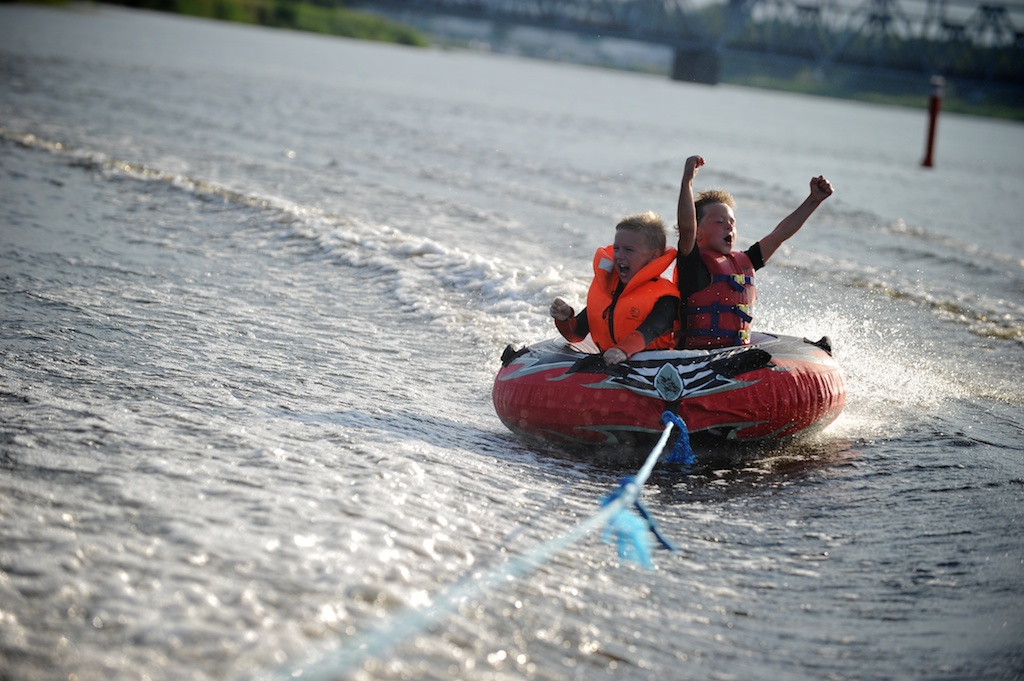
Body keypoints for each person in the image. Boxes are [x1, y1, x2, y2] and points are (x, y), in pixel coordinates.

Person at [676, 155, 834, 349]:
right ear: (698, 232)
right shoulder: (692, 263)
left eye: (732, 223)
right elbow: (686, 228)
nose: (729, 227)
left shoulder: (744, 261)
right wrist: (687, 182)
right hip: (696, 357)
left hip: (735, 352)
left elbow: (780, 234)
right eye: (719, 222)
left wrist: (814, 200)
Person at [550, 212, 679, 365]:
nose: (619, 255)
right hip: (609, 361)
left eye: (629, 250)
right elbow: (575, 335)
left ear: (653, 256)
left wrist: (623, 350)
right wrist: (565, 318)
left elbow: (652, 329)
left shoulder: (665, 297)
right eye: (616, 248)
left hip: (651, 368)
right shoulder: (608, 290)